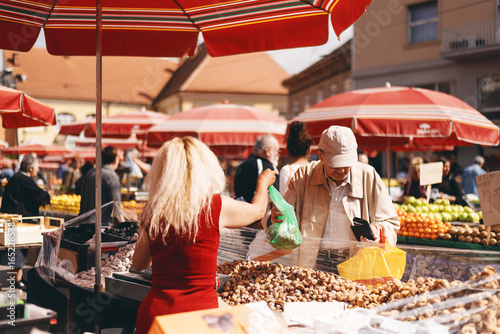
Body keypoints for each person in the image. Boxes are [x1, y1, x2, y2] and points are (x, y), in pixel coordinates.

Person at [132, 137, 276, 334]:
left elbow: (138, 264)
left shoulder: (152, 210)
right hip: (199, 319)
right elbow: (258, 211)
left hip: (155, 317)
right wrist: (263, 182)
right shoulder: (216, 206)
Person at [265, 126, 400, 271]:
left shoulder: (368, 176)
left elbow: (391, 222)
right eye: (336, 164)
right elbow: (283, 220)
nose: (342, 170)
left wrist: (377, 230)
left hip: (356, 264)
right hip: (312, 264)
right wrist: (274, 220)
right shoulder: (303, 177)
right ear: (320, 155)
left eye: (347, 165)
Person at [0, 154, 52, 290]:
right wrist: (47, 195)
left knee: (16, 252)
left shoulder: (16, 178)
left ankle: (17, 278)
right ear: (30, 169)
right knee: (17, 252)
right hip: (20, 222)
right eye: (36, 168)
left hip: (14, 219)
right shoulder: (24, 180)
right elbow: (40, 196)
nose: (37, 171)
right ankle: (17, 280)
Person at [79, 146, 122, 226]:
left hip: (85, 223)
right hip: (103, 226)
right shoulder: (112, 177)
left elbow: (82, 200)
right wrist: (123, 223)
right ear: (116, 159)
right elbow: (116, 207)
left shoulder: (90, 173)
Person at [234, 134, 280, 203]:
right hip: (258, 210)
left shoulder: (242, 165)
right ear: (268, 151)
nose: (278, 155)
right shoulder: (267, 168)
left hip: (241, 209)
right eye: (278, 151)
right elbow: (274, 197)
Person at [279, 121, 313, 196]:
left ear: (288, 151)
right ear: (309, 150)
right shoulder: (316, 168)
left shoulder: (287, 170)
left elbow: (284, 202)